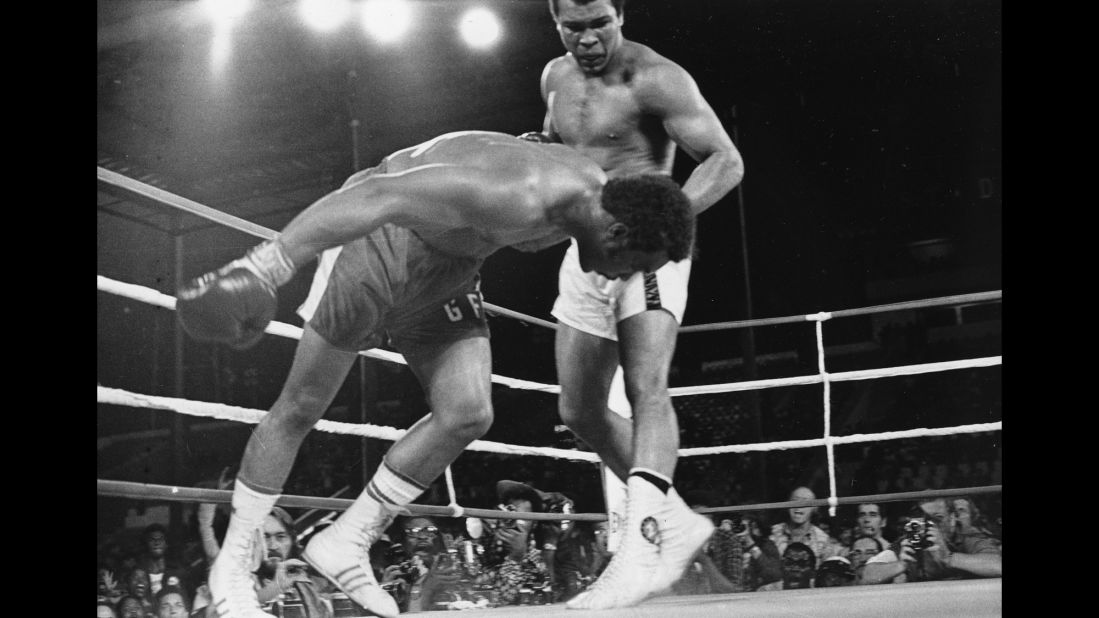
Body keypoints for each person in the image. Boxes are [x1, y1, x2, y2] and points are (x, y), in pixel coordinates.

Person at [175, 130, 695, 618]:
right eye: (631, 262)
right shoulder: (520, 192)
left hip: (448, 274)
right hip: (381, 243)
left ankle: (347, 539)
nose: (621, 276)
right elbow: (380, 192)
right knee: (301, 408)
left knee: (467, 412)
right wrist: (269, 265)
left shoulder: (589, 204)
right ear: (619, 230)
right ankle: (232, 570)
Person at [536, 0, 744, 609]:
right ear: (555, 23)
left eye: (600, 21)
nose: (589, 37)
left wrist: (663, 222)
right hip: (586, 250)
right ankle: (677, 521)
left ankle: (641, 546)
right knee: (578, 411)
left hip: (647, 251)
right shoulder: (553, 78)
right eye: (574, 26)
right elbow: (560, 149)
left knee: (647, 387)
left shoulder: (654, 77)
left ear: (620, 14)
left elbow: (727, 160)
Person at [769, 486, 846, 562]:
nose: (799, 506)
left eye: (805, 502)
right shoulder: (772, 533)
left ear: (814, 508)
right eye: (795, 500)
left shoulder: (823, 540)